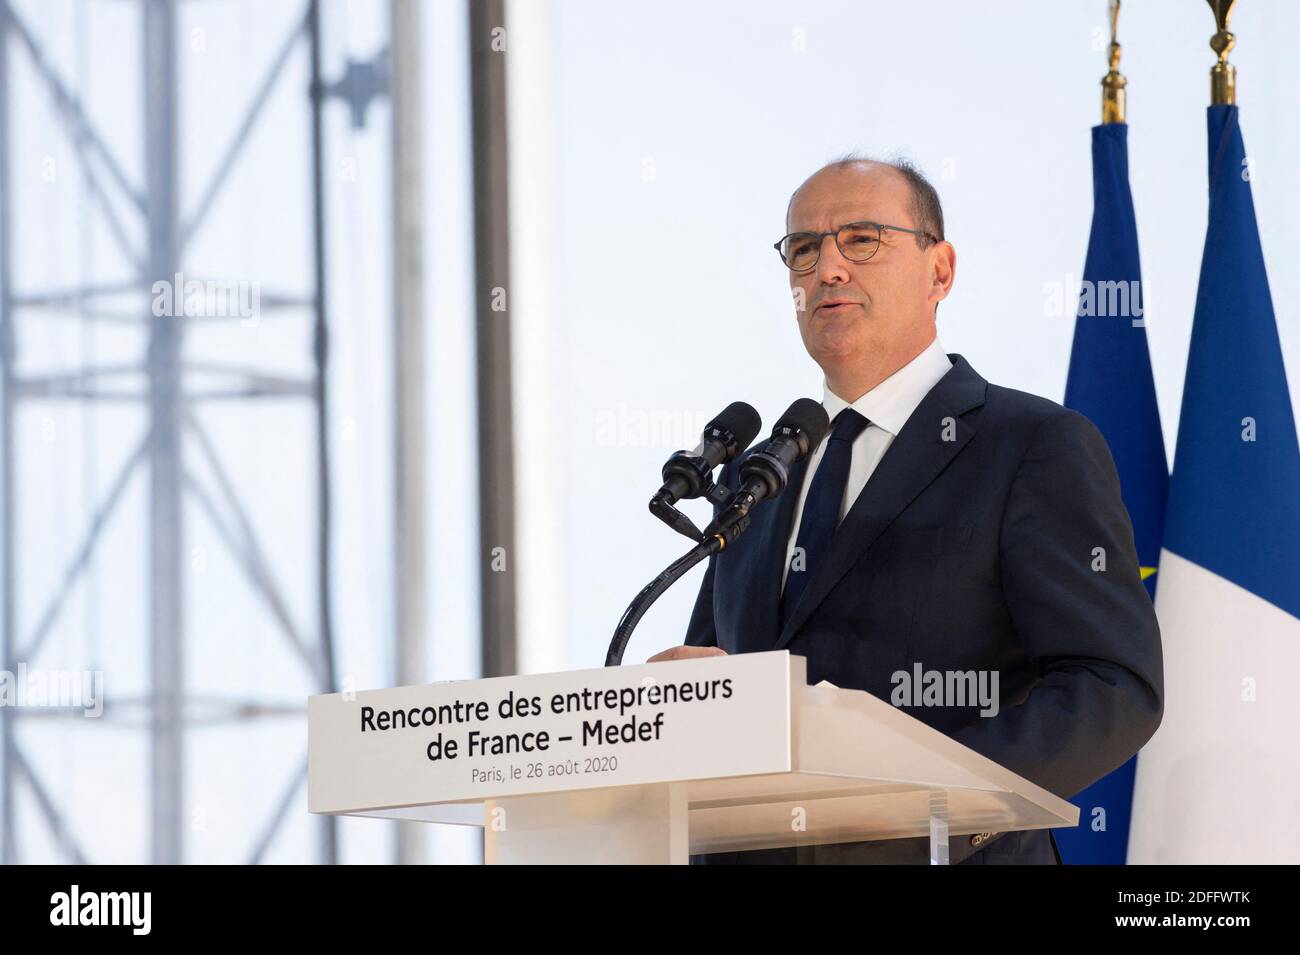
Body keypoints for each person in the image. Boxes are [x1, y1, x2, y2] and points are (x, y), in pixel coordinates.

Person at [651, 155, 1164, 864]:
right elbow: (722, 680)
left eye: (862, 238)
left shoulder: (1030, 445)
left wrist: (917, 804)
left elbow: (1113, 687)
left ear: (940, 270)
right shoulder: (757, 475)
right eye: (804, 249)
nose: (827, 267)